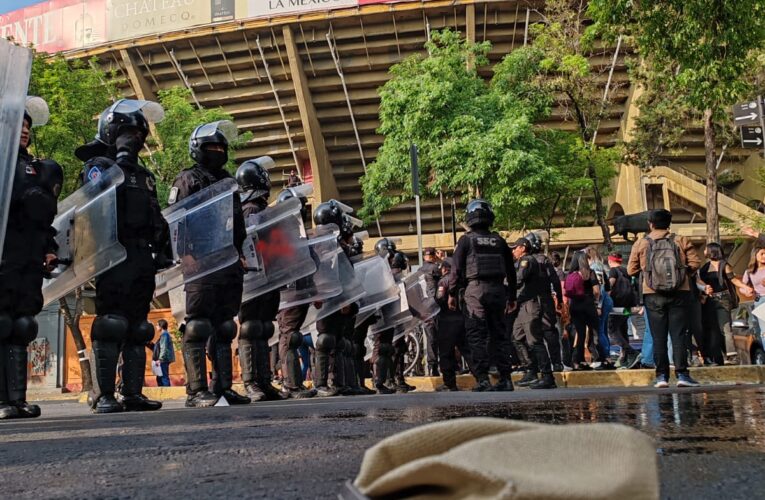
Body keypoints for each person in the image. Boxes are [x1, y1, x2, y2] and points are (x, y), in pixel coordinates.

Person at [76, 99, 168, 414]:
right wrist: (121, 162)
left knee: (140, 327)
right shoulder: (98, 166)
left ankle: (132, 394)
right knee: (111, 323)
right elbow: (93, 208)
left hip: (142, 256)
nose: (135, 139)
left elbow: (156, 215)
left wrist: (163, 248)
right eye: (128, 132)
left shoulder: (145, 176)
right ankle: (104, 396)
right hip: (113, 254)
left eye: (139, 134)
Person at [171, 121, 250, 408]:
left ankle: (222, 387)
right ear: (198, 149)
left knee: (225, 326)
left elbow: (237, 222)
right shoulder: (187, 179)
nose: (217, 151)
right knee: (198, 325)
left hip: (227, 260)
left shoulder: (228, 182)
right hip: (200, 260)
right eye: (211, 147)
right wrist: (185, 254)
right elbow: (177, 218)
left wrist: (241, 252)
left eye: (221, 147)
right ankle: (196, 390)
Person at [0, 98, 62, 420]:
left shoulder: (38, 169)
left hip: (29, 257)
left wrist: (49, 248)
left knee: (23, 325)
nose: (24, 130)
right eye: (18, 124)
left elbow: (44, 220)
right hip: (4, 255)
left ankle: (18, 400)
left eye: (27, 125)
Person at [627, 209, 701, 388]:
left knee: (658, 336)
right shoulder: (680, 239)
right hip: (679, 293)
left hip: (652, 294)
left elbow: (631, 270)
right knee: (678, 335)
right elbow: (695, 263)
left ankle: (661, 377)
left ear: (650, 224)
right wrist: (681, 277)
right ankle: (682, 374)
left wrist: (649, 274)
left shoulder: (641, 243)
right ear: (669, 223)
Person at [448, 199, 517, 392]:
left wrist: (452, 294)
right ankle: (505, 378)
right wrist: (512, 297)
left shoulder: (466, 240)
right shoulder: (499, 240)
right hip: (498, 291)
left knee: (476, 335)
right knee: (500, 335)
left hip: (475, 291)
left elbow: (455, 270)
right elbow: (511, 271)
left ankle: (483, 379)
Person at [236, 157, 284, 402]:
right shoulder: (250, 210)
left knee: (263, 328)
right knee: (252, 328)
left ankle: (263, 381)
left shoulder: (261, 210)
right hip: (256, 278)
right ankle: (252, 382)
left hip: (266, 277)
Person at [510, 238, 554, 389]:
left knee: (535, 341)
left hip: (531, 304)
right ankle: (531, 370)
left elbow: (518, 280)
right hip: (522, 306)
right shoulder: (520, 262)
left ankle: (547, 376)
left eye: (515, 248)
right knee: (517, 337)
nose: (513, 251)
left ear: (523, 248)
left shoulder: (527, 261)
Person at [697, 243, 746, 365]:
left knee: (725, 327)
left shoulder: (724, 265)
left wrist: (745, 287)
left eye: (706, 249)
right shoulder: (705, 267)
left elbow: (733, 279)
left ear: (712, 251)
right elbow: (703, 285)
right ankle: (717, 356)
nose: (704, 252)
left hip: (723, 299)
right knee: (713, 329)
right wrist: (703, 296)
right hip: (709, 300)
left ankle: (732, 355)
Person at [434, 258, 470, 391]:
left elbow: (439, 299)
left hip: (447, 321)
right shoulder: (463, 280)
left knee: (445, 353)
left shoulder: (444, 281)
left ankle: (449, 383)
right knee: (467, 350)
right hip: (463, 320)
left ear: (444, 268)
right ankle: (481, 378)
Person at [564, 251, 602, 371]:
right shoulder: (590, 273)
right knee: (593, 332)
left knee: (579, 334)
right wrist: (595, 301)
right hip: (588, 305)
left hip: (574, 305)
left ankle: (576, 360)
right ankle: (597, 359)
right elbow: (596, 291)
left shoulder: (570, 274)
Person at [606, 252, 641, 369]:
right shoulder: (627, 271)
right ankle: (625, 358)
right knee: (623, 329)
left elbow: (610, 284)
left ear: (610, 261)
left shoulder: (613, 271)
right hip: (627, 306)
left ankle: (631, 352)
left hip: (616, 306)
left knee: (612, 330)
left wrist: (605, 296)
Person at [585, 246, 614, 369]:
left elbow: (600, 288)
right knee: (602, 330)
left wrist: (598, 305)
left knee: (600, 331)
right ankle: (606, 356)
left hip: (601, 302)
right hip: (605, 301)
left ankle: (605, 357)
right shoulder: (601, 266)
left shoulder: (595, 267)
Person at [420, 247, 441, 376]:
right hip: (435, 306)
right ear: (433, 256)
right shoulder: (435, 268)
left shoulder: (419, 271)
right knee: (439, 337)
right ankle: (439, 366)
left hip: (424, 307)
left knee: (430, 338)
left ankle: (431, 366)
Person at [741, 246, 765, 348]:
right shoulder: (749, 272)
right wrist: (747, 291)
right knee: (763, 331)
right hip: (760, 301)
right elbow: (742, 287)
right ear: (755, 255)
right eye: (762, 254)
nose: (764, 256)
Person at [155, 320, 175, 387]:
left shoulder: (164, 335)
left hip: (164, 359)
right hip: (164, 358)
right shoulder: (164, 335)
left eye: (157, 325)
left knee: (163, 376)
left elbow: (163, 348)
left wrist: (160, 359)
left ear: (161, 326)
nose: (156, 327)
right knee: (160, 377)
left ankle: (167, 393)